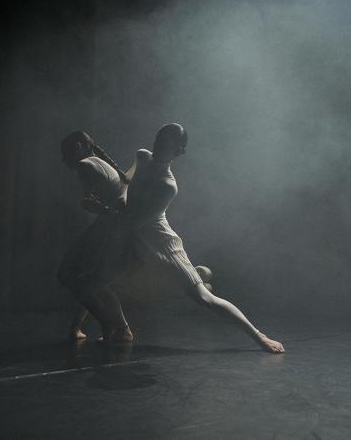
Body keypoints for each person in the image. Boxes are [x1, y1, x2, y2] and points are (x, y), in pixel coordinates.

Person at [116, 123, 285, 353]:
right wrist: (112, 197)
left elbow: (137, 221)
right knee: (104, 279)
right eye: (159, 138)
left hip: (160, 244)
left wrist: (108, 210)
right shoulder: (142, 156)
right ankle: (115, 328)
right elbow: (125, 182)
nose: (160, 144)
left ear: (179, 152)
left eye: (167, 143)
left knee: (204, 298)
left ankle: (258, 335)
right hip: (134, 236)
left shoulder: (167, 185)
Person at [56, 131, 133, 341]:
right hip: (111, 229)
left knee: (66, 275)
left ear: (78, 147)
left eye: (65, 153)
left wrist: (94, 206)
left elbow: (89, 202)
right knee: (87, 280)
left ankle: (112, 325)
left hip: (104, 230)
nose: (63, 159)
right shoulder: (103, 163)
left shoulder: (85, 165)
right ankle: (79, 328)